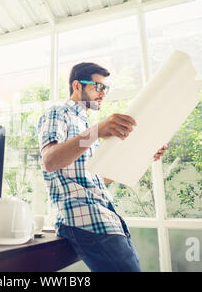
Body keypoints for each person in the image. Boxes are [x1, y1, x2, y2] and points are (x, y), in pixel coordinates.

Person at [36, 62, 167, 272]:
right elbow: (50, 160)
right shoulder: (58, 113)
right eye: (98, 86)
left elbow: (98, 177)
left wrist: (143, 157)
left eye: (105, 88)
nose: (103, 93)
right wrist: (97, 132)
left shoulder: (86, 127)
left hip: (107, 216)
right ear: (78, 86)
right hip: (83, 217)